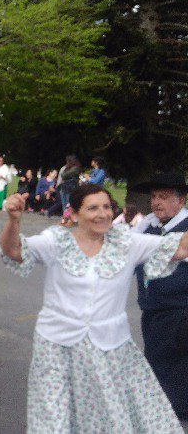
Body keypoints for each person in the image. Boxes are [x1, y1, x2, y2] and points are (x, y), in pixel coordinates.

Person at [0, 185, 188, 432]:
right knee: (53, 418)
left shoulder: (127, 242)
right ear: (75, 213)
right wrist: (14, 221)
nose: (103, 214)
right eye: (93, 208)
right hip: (57, 347)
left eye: (107, 207)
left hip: (110, 348)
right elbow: (13, 251)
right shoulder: (56, 241)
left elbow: (181, 247)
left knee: (109, 417)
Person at [130, 173, 188, 421]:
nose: (156, 202)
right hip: (153, 307)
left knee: (166, 358)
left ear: (181, 200)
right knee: (159, 355)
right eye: (154, 196)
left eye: (164, 197)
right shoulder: (146, 225)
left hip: (179, 308)